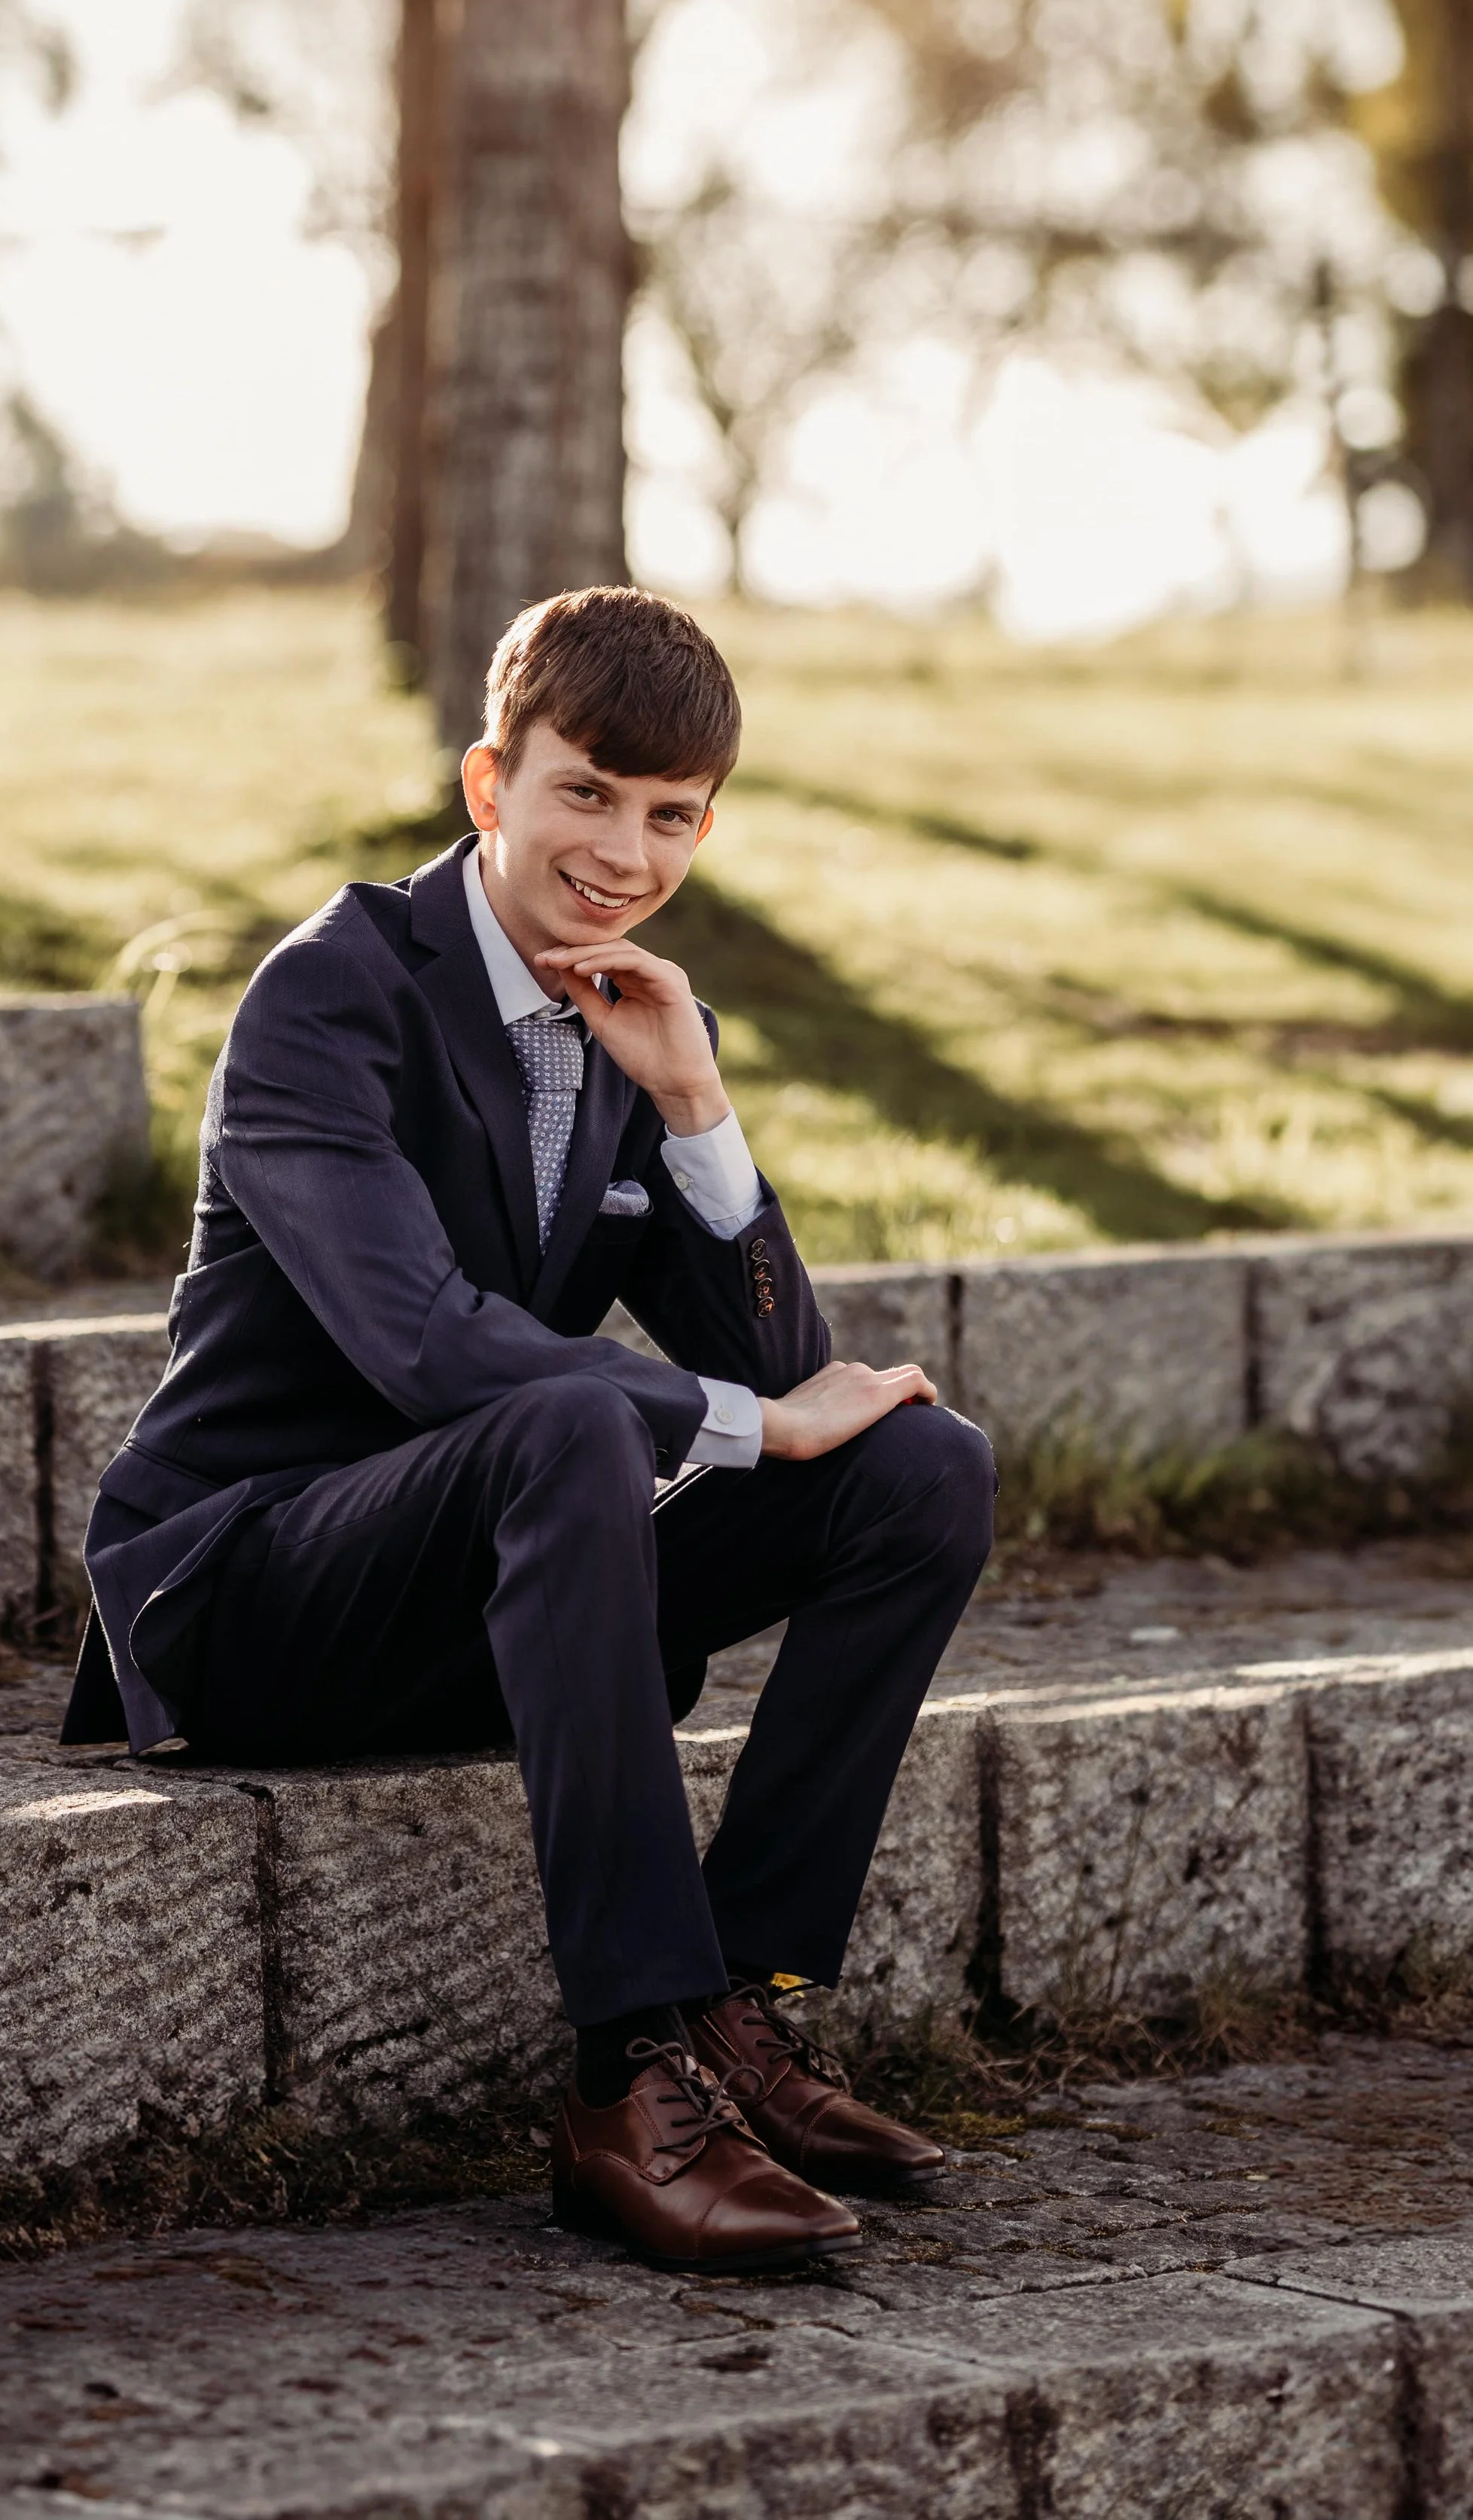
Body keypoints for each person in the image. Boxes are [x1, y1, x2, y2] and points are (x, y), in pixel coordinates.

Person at [62, 584, 996, 2272]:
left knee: (920, 1469)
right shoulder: (331, 997)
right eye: (586, 793)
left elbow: (793, 1362)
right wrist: (746, 1424)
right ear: (491, 783)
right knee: (571, 1421)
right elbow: (424, 1346)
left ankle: (737, 2006)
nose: (624, 852)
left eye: (669, 817)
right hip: (254, 1587)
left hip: (486, 1576)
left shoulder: (643, 1015)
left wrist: (695, 1108)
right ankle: (621, 2081)